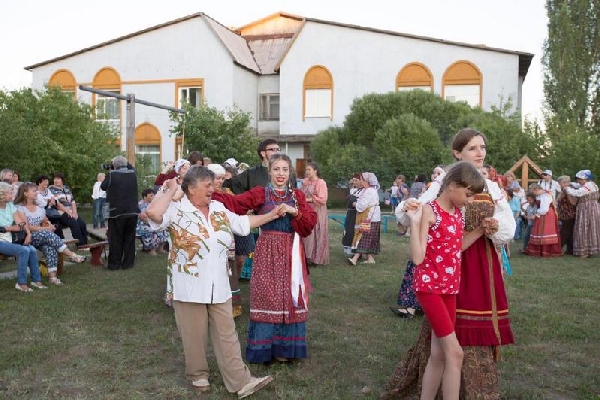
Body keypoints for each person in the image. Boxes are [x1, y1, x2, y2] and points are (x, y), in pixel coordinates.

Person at [384, 128, 516, 400]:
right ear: (457, 153)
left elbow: (468, 238)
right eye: (472, 148)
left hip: (464, 274)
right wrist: (414, 216)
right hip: (435, 281)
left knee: (443, 351)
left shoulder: (477, 196)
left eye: (482, 147)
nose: (480, 153)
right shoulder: (441, 193)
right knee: (452, 351)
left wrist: (487, 227)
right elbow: (416, 234)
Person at [145, 165, 276, 397]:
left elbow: (242, 224)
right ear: (191, 188)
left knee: (228, 334)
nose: (212, 189)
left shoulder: (218, 208)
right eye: (207, 185)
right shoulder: (176, 209)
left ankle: (240, 381)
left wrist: (274, 214)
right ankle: (198, 375)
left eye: (212, 184)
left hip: (220, 284)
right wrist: (171, 188)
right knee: (193, 336)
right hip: (189, 285)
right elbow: (153, 214)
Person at [213, 153, 317, 364]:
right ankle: (266, 349)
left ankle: (286, 349)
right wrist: (209, 193)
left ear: (290, 172)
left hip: (291, 252)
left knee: (289, 297)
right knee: (268, 296)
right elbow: (234, 204)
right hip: (267, 251)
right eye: (276, 169)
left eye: (285, 169)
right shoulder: (260, 193)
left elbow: (308, 225)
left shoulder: (297, 196)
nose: (281, 174)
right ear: (269, 171)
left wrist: (293, 211)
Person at [406, 161, 486, 400]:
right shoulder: (429, 211)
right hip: (429, 289)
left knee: (439, 354)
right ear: (452, 185)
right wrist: (414, 222)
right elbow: (417, 258)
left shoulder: (457, 214)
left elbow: (456, 246)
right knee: (455, 354)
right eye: (468, 194)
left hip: (449, 289)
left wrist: (481, 230)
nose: (470, 201)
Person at [14, 182, 86, 285]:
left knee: (50, 248)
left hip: (41, 236)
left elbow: (45, 220)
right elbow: (27, 227)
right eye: (34, 191)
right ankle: (71, 255)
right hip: (27, 237)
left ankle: (53, 277)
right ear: (25, 193)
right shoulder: (20, 209)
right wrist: (46, 228)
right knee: (46, 234)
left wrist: (49, 224)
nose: (37, 192)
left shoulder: (39, 207)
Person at [206, 163, 243, 319]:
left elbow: (236, 208)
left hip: (227, 235)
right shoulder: (206, 196)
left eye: (222, 178)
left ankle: (230, 307)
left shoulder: (226, 194)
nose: (220, 181)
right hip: (211, 237)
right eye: (217, 178)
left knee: (229, 269)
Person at [0, 182, 46, 292]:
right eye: (10, 193)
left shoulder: (10, 206)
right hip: (1, 241)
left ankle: (36, 280)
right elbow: (18, 226)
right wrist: (14, 227)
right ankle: (21, 283)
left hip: (10, 239)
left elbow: (21, 224)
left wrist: (28, 234)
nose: (13, 195)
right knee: (24, 250)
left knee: (31, 249)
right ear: (2, 194)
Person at [101, 156, 139, 270]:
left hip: (116, 212)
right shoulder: (133, 174)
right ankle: (128, 263)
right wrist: (125, 163)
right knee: (129, 239)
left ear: (114, 165)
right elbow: (131, 167)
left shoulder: (111, 174)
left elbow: (103, 187)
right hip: (132, 211)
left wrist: (110, 170)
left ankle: (114, 264)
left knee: (116, 239)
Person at [348, 172, 381, 265]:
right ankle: (370, 259)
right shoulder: (368, 190)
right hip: (371, 217)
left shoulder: (370, 191)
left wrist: (355, 204)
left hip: (369, 217)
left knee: (363, 236)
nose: (361, 181)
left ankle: (355, 258)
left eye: (362, 179)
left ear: (367, 181)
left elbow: (362, 205)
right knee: (370, 237)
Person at [566, 169, 600, 258]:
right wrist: (570, 184)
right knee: (590, 228)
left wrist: (567, 188)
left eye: (581, 179)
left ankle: (584, 251)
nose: (579, 181)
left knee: (584, 228)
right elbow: (577, 185)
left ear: (586, 179)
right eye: (578, 179)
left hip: (587, 209)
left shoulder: (588, 185)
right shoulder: (590, 184)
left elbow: (578, 193)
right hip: (591, 208)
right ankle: (589, 250)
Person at [301, 162, 329, 266]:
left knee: (317, 232)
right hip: (307, 210)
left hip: (318, 210)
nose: (307, 172)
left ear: (315, 171)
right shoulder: (306, 182)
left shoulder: (321, 182)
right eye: (306, 170)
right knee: (308, 233)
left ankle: (316, 258)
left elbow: (323, 199)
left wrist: (307, 199)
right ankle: (306, 256)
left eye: (309, 170)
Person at [49, 172, 88, 247]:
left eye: (58, 179)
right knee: (74, 223)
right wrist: (68, 212)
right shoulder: (51, 189)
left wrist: (74, 213)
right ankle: (81, 245)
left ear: (62, 180)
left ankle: (85, 244)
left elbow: (72, 202)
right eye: (55, 179)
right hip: (61, 212)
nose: (56, 180)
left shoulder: (66, 188)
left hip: (71, 211)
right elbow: (57, 205)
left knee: (82, 223)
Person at [524, 183, 562, 257]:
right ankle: (538, 250)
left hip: (546, 215)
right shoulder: (541, 195)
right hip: (542, 214)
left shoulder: (545, 196)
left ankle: (545, 251)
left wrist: (536, 215)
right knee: (538, 230)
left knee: (544, 231)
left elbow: (544, 209)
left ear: (536, 189)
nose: (533, 194)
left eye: (533, 191)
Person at [136, 189, 168, 256]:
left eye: (153, 195)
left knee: (163, 229)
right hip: (143, 224)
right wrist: (154, 224)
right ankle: (152, 250)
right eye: (151, 195)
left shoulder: (154, 204)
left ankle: (161, 248)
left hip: (153, 222)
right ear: (145, 197)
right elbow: (143, 218)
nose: (153, 197)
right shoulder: (142, 204)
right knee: (152, 230)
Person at [342, 174, 363, 256]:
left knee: (357, 231)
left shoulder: (365, 191)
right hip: (350, 213)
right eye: (353, 180)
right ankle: (350, 247)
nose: (354, 182)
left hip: (358, 213)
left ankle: (358, 250)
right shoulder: (353, 190)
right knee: (349, 230)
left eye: (356, 180)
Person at [556, 176, 577, 255]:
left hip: (569, 214)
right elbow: (557, 201)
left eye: (566, 182)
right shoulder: (562, 191)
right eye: (561, 183)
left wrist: (568, 194)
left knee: (564, 232)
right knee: (569, 233)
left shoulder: (570, 190)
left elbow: (574, 202)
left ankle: (557, 249)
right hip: (563, 214)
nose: (563, 184)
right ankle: (570, 250)